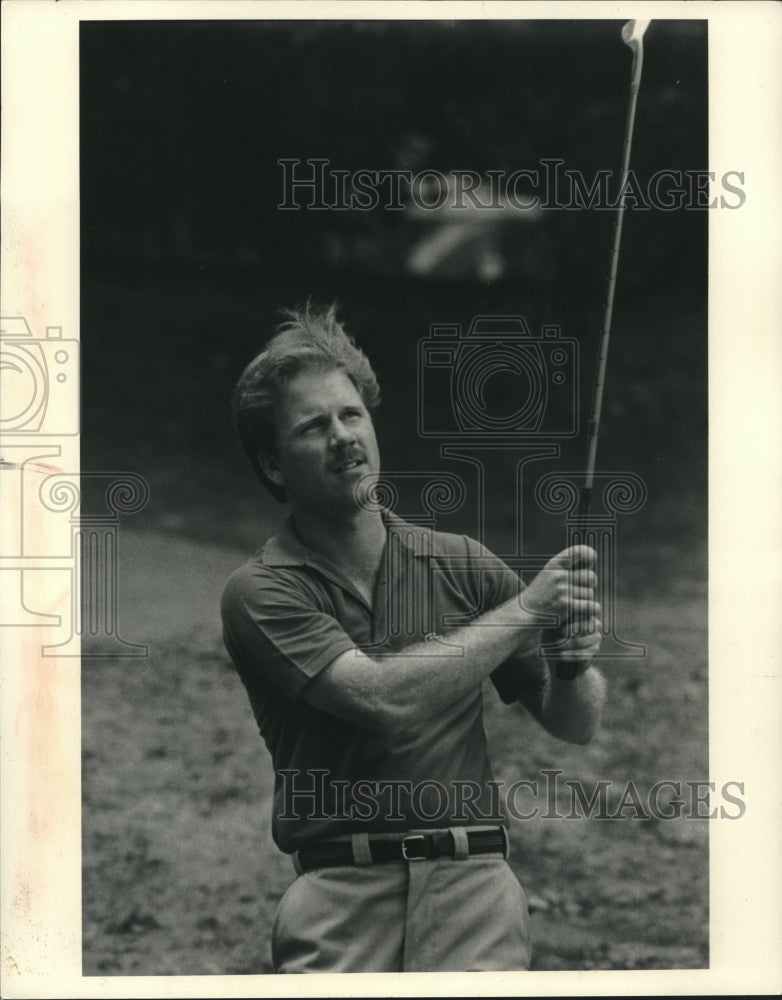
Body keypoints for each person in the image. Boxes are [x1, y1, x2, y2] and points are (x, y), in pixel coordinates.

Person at [221, 302, 606, 973]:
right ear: (274, 466)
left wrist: (572, 668)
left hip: (474, 889)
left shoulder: (459, 561)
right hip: (339, 896)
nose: (342, 436)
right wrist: (527, 612)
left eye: (351, 415)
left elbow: (573, 725)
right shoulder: (261, 592)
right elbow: (376, 697)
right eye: (313, 426)